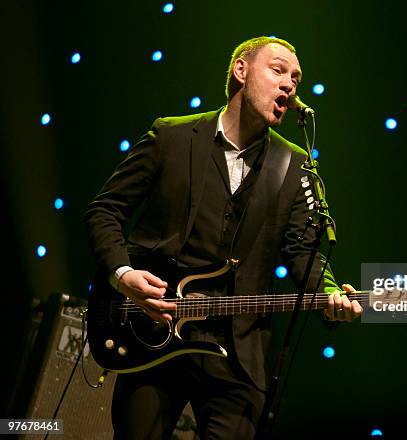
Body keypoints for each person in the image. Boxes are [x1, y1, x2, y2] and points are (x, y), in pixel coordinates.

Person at [84, 36, 362, 439]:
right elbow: (104, 210)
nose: (290, 85)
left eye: (296, 80)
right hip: (152, 334)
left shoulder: (295, 165)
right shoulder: (171, 137)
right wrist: (123, 274)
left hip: (237, 354)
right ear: (241, 71)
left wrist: (332, 293)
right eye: (279, 70)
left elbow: (304, 252)